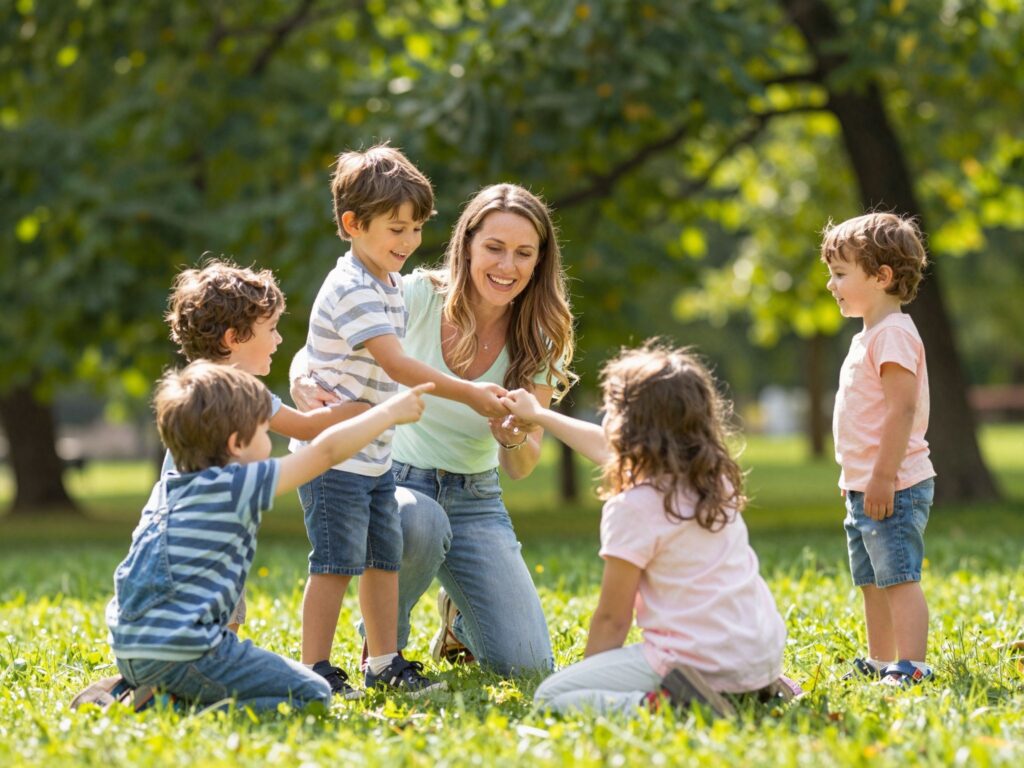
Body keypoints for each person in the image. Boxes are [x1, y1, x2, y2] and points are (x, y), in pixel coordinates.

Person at [293, 182, 576, 676]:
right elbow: (334, 333)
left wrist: (511, 434)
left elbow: (522, 465)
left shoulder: (541, 333)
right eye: (494, 248)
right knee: (417, 521)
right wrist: (301, 377)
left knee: (528, 665)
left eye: (523, 253)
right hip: (397, 481)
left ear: (539, 261)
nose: (507, 266)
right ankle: (384, 653)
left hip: (476, 497)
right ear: (467, 245)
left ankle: (457, 622)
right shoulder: (417, 295)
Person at [105, 361, 432, 712]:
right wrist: (387, 413)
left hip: (128, 647)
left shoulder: (168, 488)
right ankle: (172, 705)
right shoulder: (233, 486)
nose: (270, 439)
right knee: (313, 693)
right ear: (236, 443)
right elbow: (324, 453)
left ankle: (145, 689)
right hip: (185, 652)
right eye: (265, 430)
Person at [501, 341, 790, 717]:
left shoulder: (633, 506)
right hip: (761, 655)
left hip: (698, 660)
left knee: (550, 697)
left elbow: (613, 619)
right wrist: (540, 415)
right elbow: (608, 449)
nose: (605, 416)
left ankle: (675, 706)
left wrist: (590, 677)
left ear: (629, 424)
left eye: (611, 407)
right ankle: (751, 689)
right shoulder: (715, 479)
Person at [163, 258, 369, 633]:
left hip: (174, 535)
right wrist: (368, 408)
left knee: (194, 620)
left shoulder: (191, 389)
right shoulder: (242, 392)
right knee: (223, 619)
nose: (279, 340)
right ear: (233, 338)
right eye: (271, 329)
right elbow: (306, 426)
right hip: (215, 540)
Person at [821, 212, 935, 686]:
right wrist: (853, 476)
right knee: (870, 578)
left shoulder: (892, 334)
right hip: (865, 484)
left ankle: (912, 664)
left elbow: (901, 410)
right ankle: (880, 658)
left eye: (840, 273)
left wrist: (883, 476)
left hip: (895, 483)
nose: (831, 285)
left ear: (881, 276)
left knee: (899, 576)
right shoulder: (868, 335)